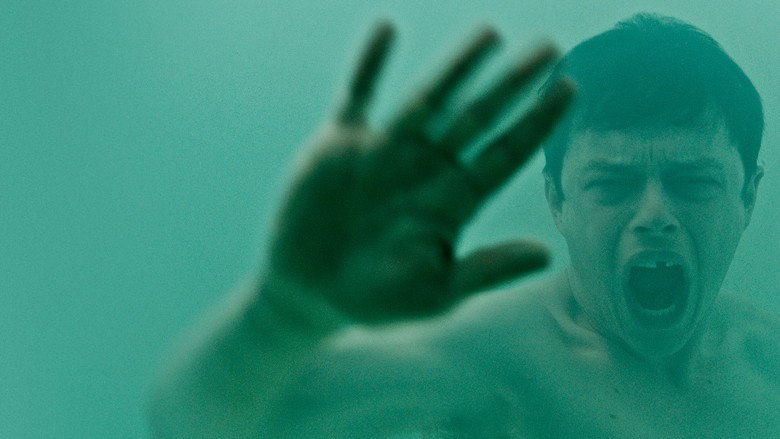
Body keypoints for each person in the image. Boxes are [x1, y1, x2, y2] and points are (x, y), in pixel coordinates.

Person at [148, 13, 779, 438]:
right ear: (557, 199)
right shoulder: (486, 368)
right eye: (611, 185)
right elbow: (196, 425)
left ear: (748, 197)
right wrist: (285, 313)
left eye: (694, 183)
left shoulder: (766, 357)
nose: (655, 215)